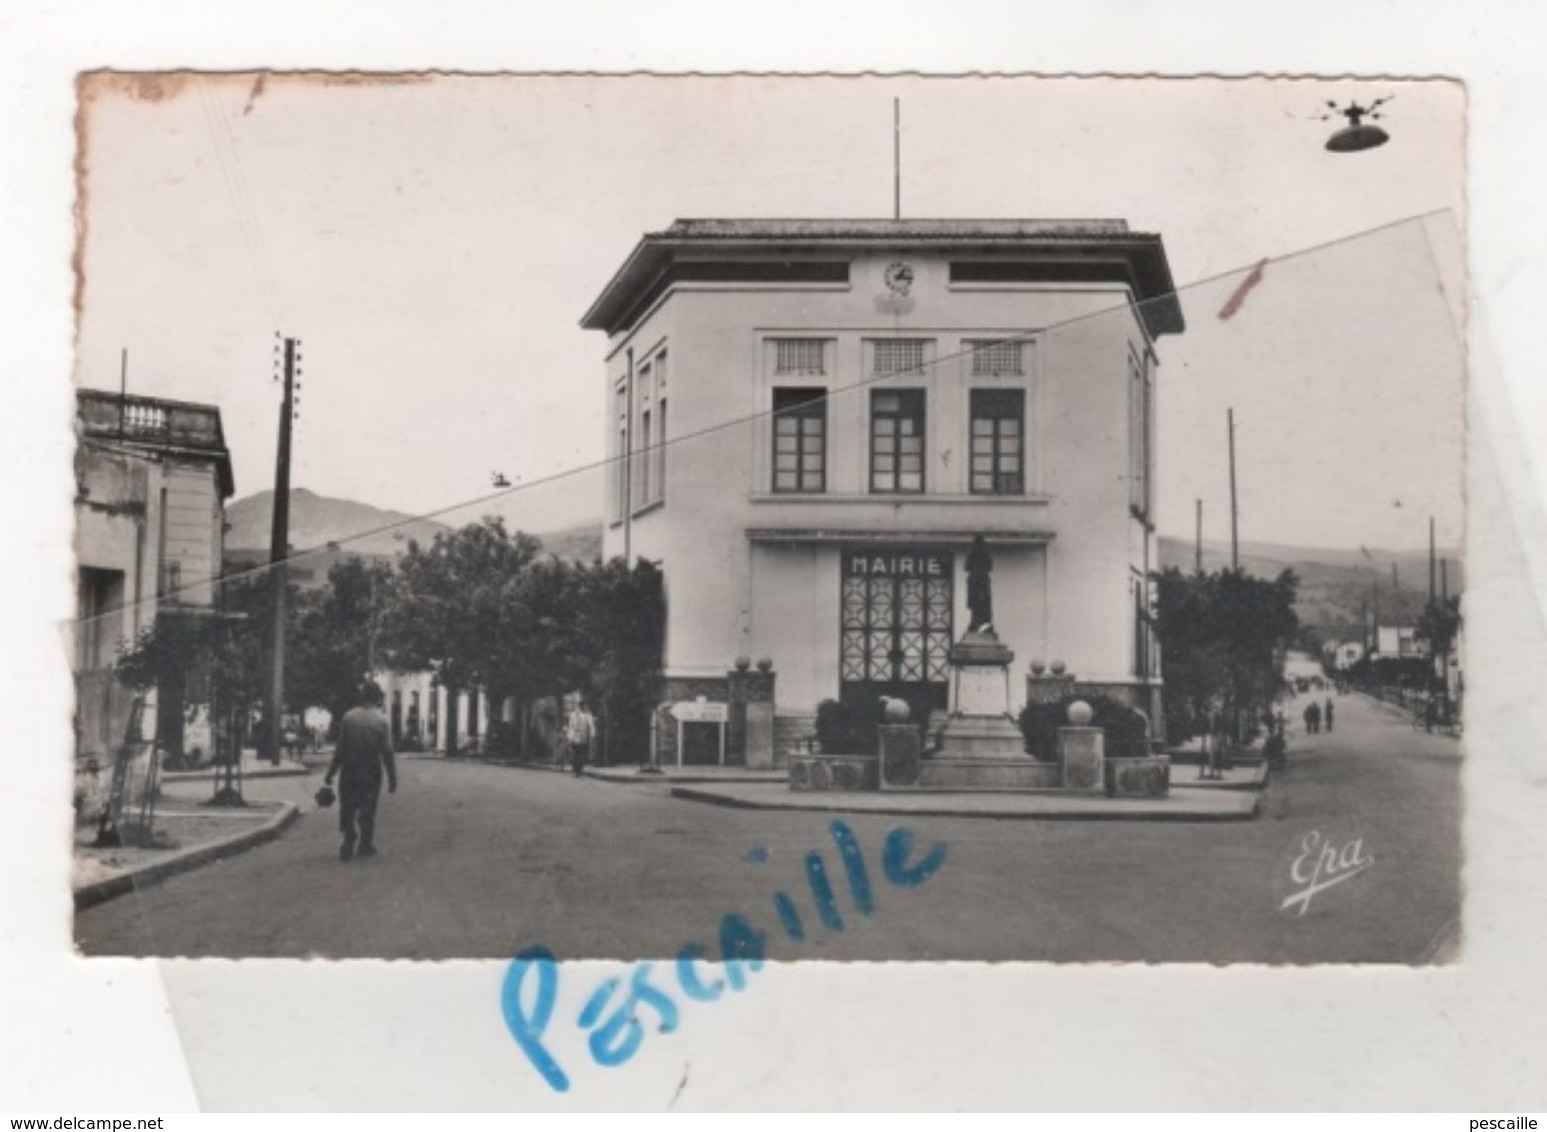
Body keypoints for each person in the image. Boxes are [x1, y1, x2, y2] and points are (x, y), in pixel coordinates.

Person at [324, 681, 398, 862]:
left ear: (363, 696)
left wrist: (331, 772)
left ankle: (348, 837)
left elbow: (340, 749)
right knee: (368, 805)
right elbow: (387, 751)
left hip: (350, 768)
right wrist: (392, 777)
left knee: (348, 805)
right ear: (378, 697)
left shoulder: (349, 718)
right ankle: (365, 842)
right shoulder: (382, 720)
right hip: (371, 768)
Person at [566, 694, 595, 778]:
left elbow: (591, 725)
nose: (582, 706)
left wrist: (592, 734)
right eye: (581, 704)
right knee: (575, 755)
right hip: (574, 737)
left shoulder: (587, 715)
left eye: (583, 705)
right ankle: (575, 770)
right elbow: (570, 726)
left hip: (583, 737)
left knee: (581, 755)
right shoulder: (573, 714)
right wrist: (569, 737)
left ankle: (579, 770)